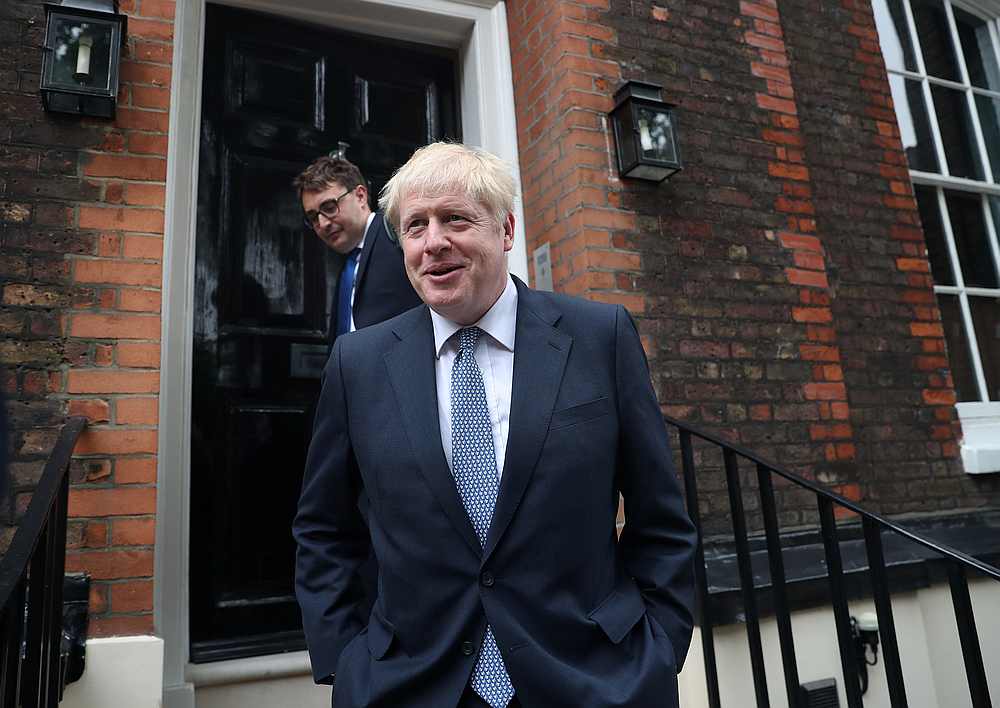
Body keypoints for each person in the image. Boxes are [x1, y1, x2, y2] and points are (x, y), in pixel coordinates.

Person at [293, 143, 696, 708]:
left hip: (593, 678)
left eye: (455, 218)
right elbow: (324, 529)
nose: (434, 242)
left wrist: (658, 649)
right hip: (411, 685)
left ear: (506, 230)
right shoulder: (357, 364)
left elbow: (661, 520)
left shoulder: (598, 337)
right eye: (415, 226)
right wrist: (346, 662)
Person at [294, 156, 422, 346]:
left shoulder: (398, 233)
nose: (322, 223)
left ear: (360, 196)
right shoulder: (349, 263)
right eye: (313, 217)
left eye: (329, 207)